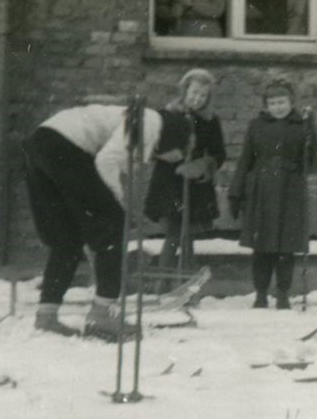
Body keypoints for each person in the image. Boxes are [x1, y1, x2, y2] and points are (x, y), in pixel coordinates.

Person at [22, 103, 191, 341]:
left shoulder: (137, 117)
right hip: (65, 146)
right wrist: (115, 203)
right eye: (177, 153)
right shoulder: (151, 122)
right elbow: (107, 162)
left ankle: (46, 314)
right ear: (174, 137)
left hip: (39, 144)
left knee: (67, 239)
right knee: (113, 225)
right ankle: (103, 314)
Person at [228, 78, 317, 309]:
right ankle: (260, 294)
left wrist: (312, 134)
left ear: (291, 102)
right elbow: (245, 161)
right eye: (272, 103)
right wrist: (236, 193)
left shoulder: (302, 126)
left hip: (290, 192)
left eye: (282, 102)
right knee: (261, 248)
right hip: (261, 192)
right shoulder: (256, 126)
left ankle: (283, 294)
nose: (277, 107)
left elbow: (314, 164)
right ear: (266, 105)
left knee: (285, 247)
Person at [144, 69, 226, 275]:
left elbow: (219, 153)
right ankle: (164, 281)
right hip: (169, 182)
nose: (197, 99)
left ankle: (185, 280)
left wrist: (202, 166)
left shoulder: (210, 120)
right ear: (184, 91)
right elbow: (149, 144)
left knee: (187, 234)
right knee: (174, 232)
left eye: (203, 95)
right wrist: (162, 154)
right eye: (194, 93)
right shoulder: (167, 114)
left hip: (195, 185)